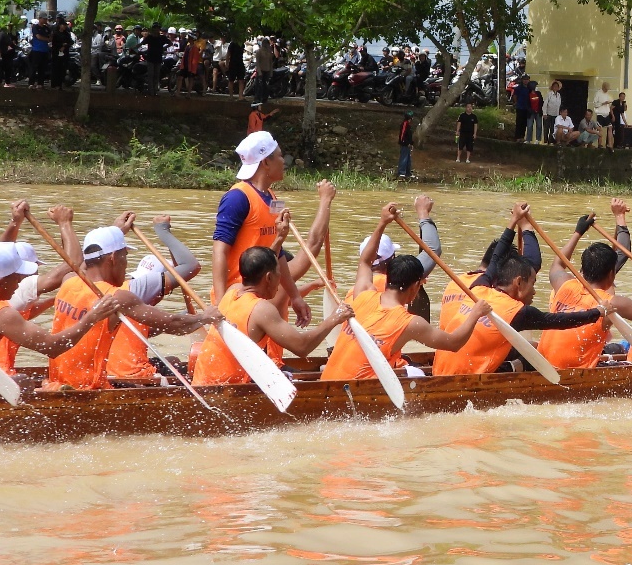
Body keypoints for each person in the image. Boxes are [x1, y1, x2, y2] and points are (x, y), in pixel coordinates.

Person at [321, 204, 490, 382]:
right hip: (358, 393)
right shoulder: (411, 323)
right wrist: (475, 313)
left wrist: (382, 222)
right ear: (416, 286)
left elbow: (364, 261)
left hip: (327, 381)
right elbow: (454, 343)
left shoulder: (362, 293)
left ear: (388, 278)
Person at [46, 219, 218, 390]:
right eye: (125, 256)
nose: (126, 264)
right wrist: (205, 317)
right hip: (89, 389)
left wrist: (114, 231)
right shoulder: (117, 298)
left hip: (58, 382)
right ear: (113, 258)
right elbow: (174, 325)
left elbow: (82, 265)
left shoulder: (68, 281)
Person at [537, 201, 632, 370]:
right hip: (573, 375)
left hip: (543, 366)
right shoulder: (611, 303)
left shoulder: (564, 284)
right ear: (611, 274)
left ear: (582, 269)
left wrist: (578, 232)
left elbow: (558, 263)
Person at [0, 241, 125, 391]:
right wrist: (92, 317)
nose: (18, 285)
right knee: (23, 384)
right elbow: (53, 347)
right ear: (0, 282)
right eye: (17, 278)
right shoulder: (1, 314)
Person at [432, 245, 607, 376]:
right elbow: (560, 321)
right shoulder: (518, 311)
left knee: (528, 348)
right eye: (533, 283)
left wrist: (514, 221)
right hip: (463, 379)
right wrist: (597, 312)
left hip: (437, 371)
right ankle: (514, 367)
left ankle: (512, 367)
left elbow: (494, 259)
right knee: (533, 352)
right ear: (518, 283)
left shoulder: (478, 288)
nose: (534, 291)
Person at [193, 246, 353, 385]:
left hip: (201, 381)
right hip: (225, 390)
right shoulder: (261, 309)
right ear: (269, 277)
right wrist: (335, 318)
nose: (282, 281)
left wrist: (280, 237)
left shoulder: (232, 291)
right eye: (280, 274)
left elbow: (263, 256)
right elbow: (302, 347)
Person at [210, 131, 314, 325]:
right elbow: (219, 251)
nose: (284, 161)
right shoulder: (237, 197)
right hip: (238, 296)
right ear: (266, 162)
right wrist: (221, 303)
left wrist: (295, 296)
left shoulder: (271, 197)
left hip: (259, 297)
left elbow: (277, 254)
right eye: (281, 156)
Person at [592, 81, 614, 149]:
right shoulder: (598, 93)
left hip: (606, 113)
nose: (607, 90)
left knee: (610, 127)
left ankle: (610, 144)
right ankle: (600, 144)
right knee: (600, 128)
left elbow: (611, 102)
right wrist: (603, 103)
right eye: (606, 88)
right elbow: (595, 104)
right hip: (600, 113)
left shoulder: (608, 94)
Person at [513, 73, 533, 141]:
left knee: (525, 123)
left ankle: (522, 137)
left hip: (527, 108)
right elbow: (515, 96)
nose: (526, 81)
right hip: (520, 107)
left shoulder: (530, 89)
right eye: (524, 79)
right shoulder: (518, 88)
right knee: (519, 123)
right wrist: (516, 102)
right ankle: (517, 137)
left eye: (527, 79)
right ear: (522, 80)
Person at [397, 111, 414, 179]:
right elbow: (402, 136)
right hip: (404, 144)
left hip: (408, 144)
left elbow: (409, 136)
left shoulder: (408, 125)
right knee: (404, 158)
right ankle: (401, 172)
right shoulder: (404, 124)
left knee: (408, 159)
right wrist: (406, 143)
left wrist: (411, 143)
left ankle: (408, 172)